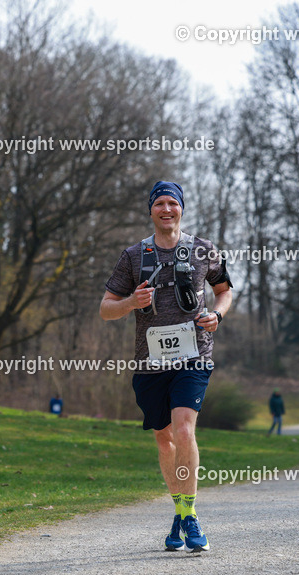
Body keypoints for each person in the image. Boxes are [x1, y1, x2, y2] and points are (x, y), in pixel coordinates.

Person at [100, 181, 233, 552]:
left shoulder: (203, 249)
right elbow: (105, 309)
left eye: (172, 203)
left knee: (184, 430)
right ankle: (179, 511)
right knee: (164, 438)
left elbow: (224, 290)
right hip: (150, 362)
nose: (166, 209)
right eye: (159, 203)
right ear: (151, 211)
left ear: (181, 209)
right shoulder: (133, 256)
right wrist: (129, 302)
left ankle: (190, 517)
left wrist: (217, 316)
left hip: (194, 356)